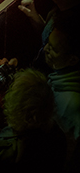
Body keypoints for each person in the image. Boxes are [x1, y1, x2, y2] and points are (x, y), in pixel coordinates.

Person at [43, 13, 80, 164]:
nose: (45, 49)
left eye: (53, 49)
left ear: (72, 59)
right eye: (48, 43)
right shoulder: (60, 75)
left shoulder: (71, 104)